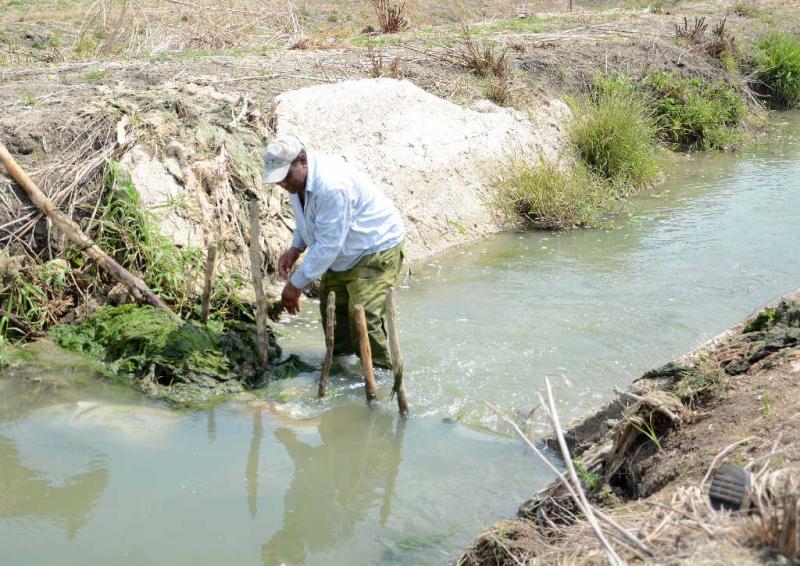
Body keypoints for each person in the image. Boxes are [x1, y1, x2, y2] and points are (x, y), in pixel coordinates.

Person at [262, 135, 405, 370]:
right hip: (342, 251)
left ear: (302, 160)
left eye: (286, 176)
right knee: (335, 314)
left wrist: (295, 285)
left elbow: (328, 245)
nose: (283, 184)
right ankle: (340, 369)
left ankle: (379, 375)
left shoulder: (332, 185)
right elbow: (308, 220)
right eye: (278, 180)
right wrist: (296, 247)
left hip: (375, 247)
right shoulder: (297, 183)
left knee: (364, 318)